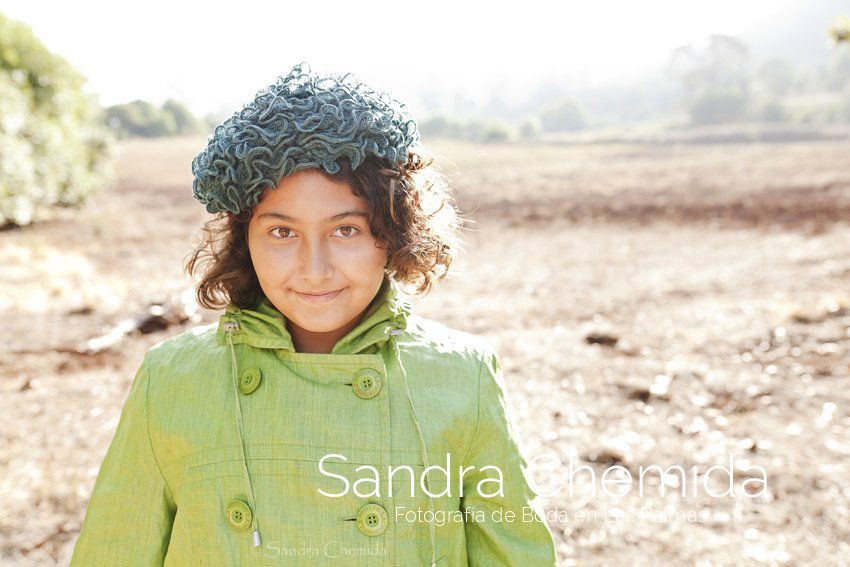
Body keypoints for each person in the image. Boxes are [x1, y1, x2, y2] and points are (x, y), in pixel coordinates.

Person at [70, 62, 557, 566]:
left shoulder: (463, 375)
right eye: (282, 232)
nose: (314, 269)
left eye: (346, 229)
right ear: (244, 239)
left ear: (392, 232)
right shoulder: (172, 379)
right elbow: (113, 552)